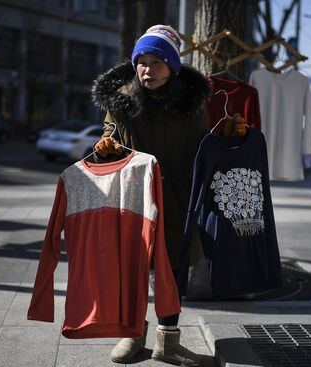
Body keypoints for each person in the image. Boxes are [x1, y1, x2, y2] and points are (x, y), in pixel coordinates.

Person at [91, 25, 246, 365]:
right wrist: (105, 147)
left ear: (173, 66)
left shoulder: (193, 103)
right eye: (142, 62)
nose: (148, 69)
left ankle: (168, 343)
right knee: (131, 269)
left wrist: (230, 134)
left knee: (174, 274)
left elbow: (206, 143)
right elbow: (109, 135)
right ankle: (132, 335)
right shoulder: (121, 99)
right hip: (134, 196)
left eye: (157, 61)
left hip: (180, 198)